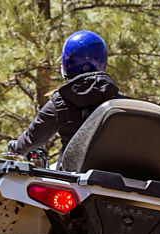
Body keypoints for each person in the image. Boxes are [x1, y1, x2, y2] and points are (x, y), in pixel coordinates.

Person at [8, 30, 120, 158]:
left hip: (74, 174)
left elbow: (32, 138)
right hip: (116, 174)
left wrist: (16, 147)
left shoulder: (61, 101)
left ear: (67, 61)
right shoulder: (117, 101)